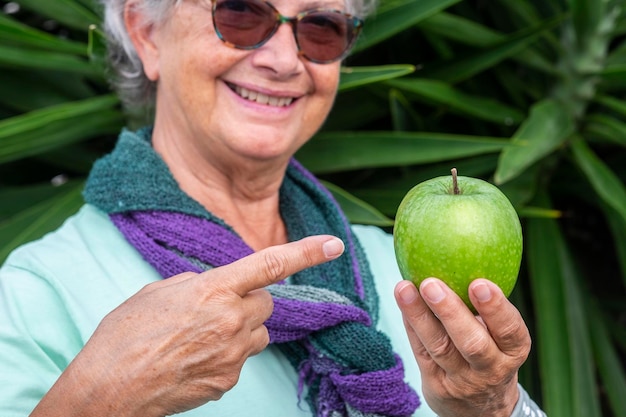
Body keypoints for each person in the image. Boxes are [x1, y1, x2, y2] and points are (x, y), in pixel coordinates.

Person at [0, 0, 547, 416]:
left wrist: (496, 407)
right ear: (146, 33)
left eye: (320, 27)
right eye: (240, 13)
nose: (285, 60)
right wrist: (102, 399)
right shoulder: (32, 291)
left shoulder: (402, 271)